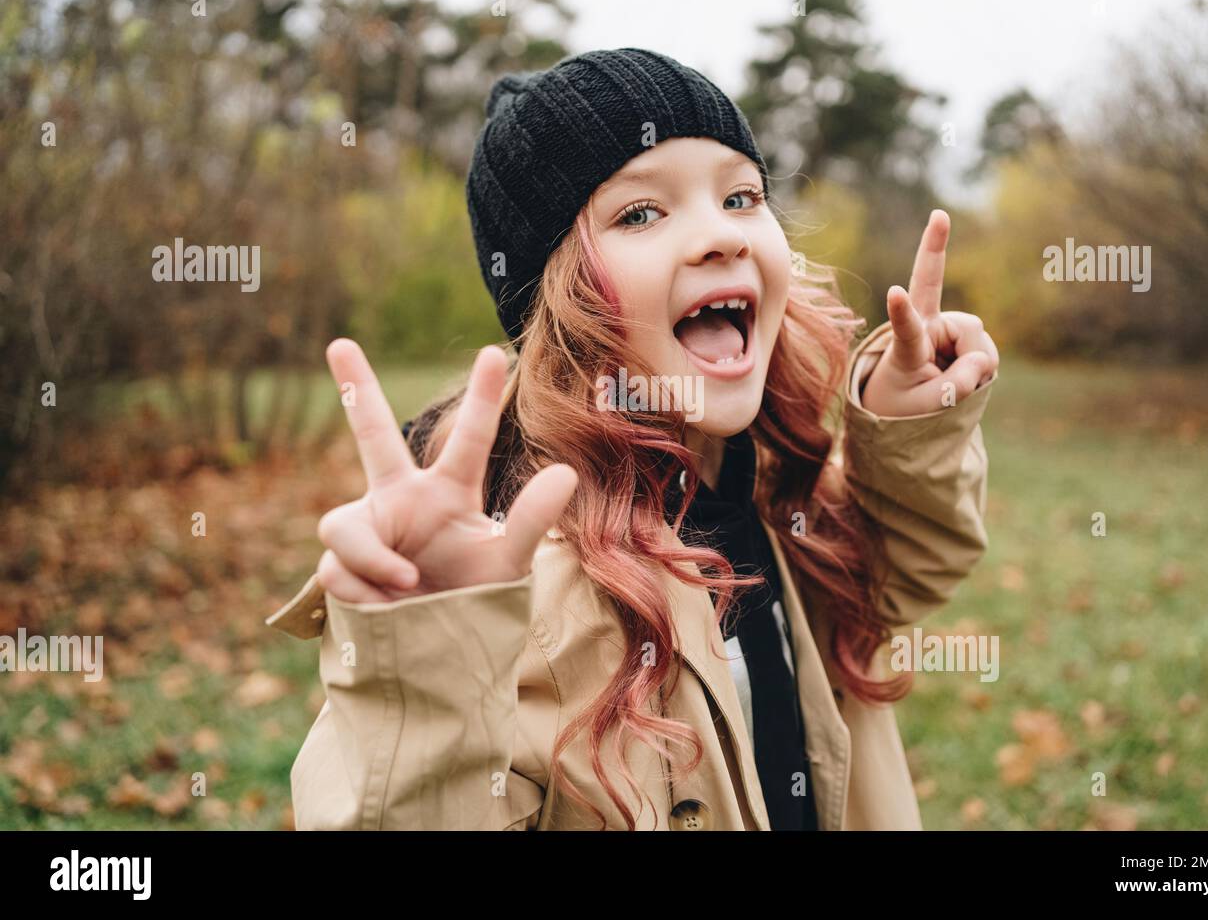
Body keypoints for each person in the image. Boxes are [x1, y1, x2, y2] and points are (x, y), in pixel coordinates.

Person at [266, 48, 1000, 830]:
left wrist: (909, 424)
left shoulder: (773, 496)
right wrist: (427, 659)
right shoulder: (524, 597)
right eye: (640, 213)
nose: (722, 235)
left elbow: (902, 572)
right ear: (558, 302)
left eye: (742, 196)